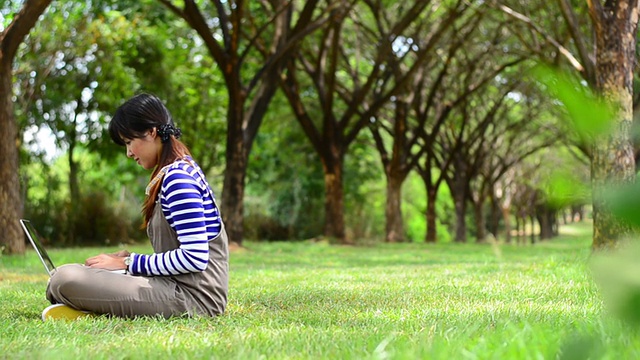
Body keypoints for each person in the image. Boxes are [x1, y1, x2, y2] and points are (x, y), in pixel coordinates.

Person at [42, 93, 229, 320]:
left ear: (151, 132)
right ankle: (91, 306)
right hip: (174, 287)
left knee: (65, 280)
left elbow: (194, 257)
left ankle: (93, 308)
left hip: (195, 298)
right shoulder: (174, 172)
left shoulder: (178, 180)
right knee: (70, 275)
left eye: (129, 142)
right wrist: (126, 260)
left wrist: (128, 263)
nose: (129, 153)